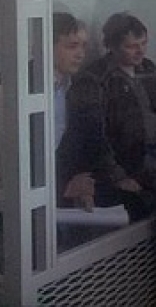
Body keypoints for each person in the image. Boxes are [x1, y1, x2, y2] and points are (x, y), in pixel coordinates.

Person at [62, 12, 156, 220]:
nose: (140, 51)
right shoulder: (96, 79)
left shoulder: (148, 68)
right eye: (131, 46)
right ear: (112, 47)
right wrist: (118, 176)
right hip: (124, 162)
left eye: (143, 43)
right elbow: (95, 137)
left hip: (155, 153)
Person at [52, 12, 96, 210]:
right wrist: (62, 187)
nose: (80, 54)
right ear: (47, 46)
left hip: (65, 190)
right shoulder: (23, 89)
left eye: (83, 46)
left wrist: (80, 182)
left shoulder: (78, 87)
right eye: (72, 46)